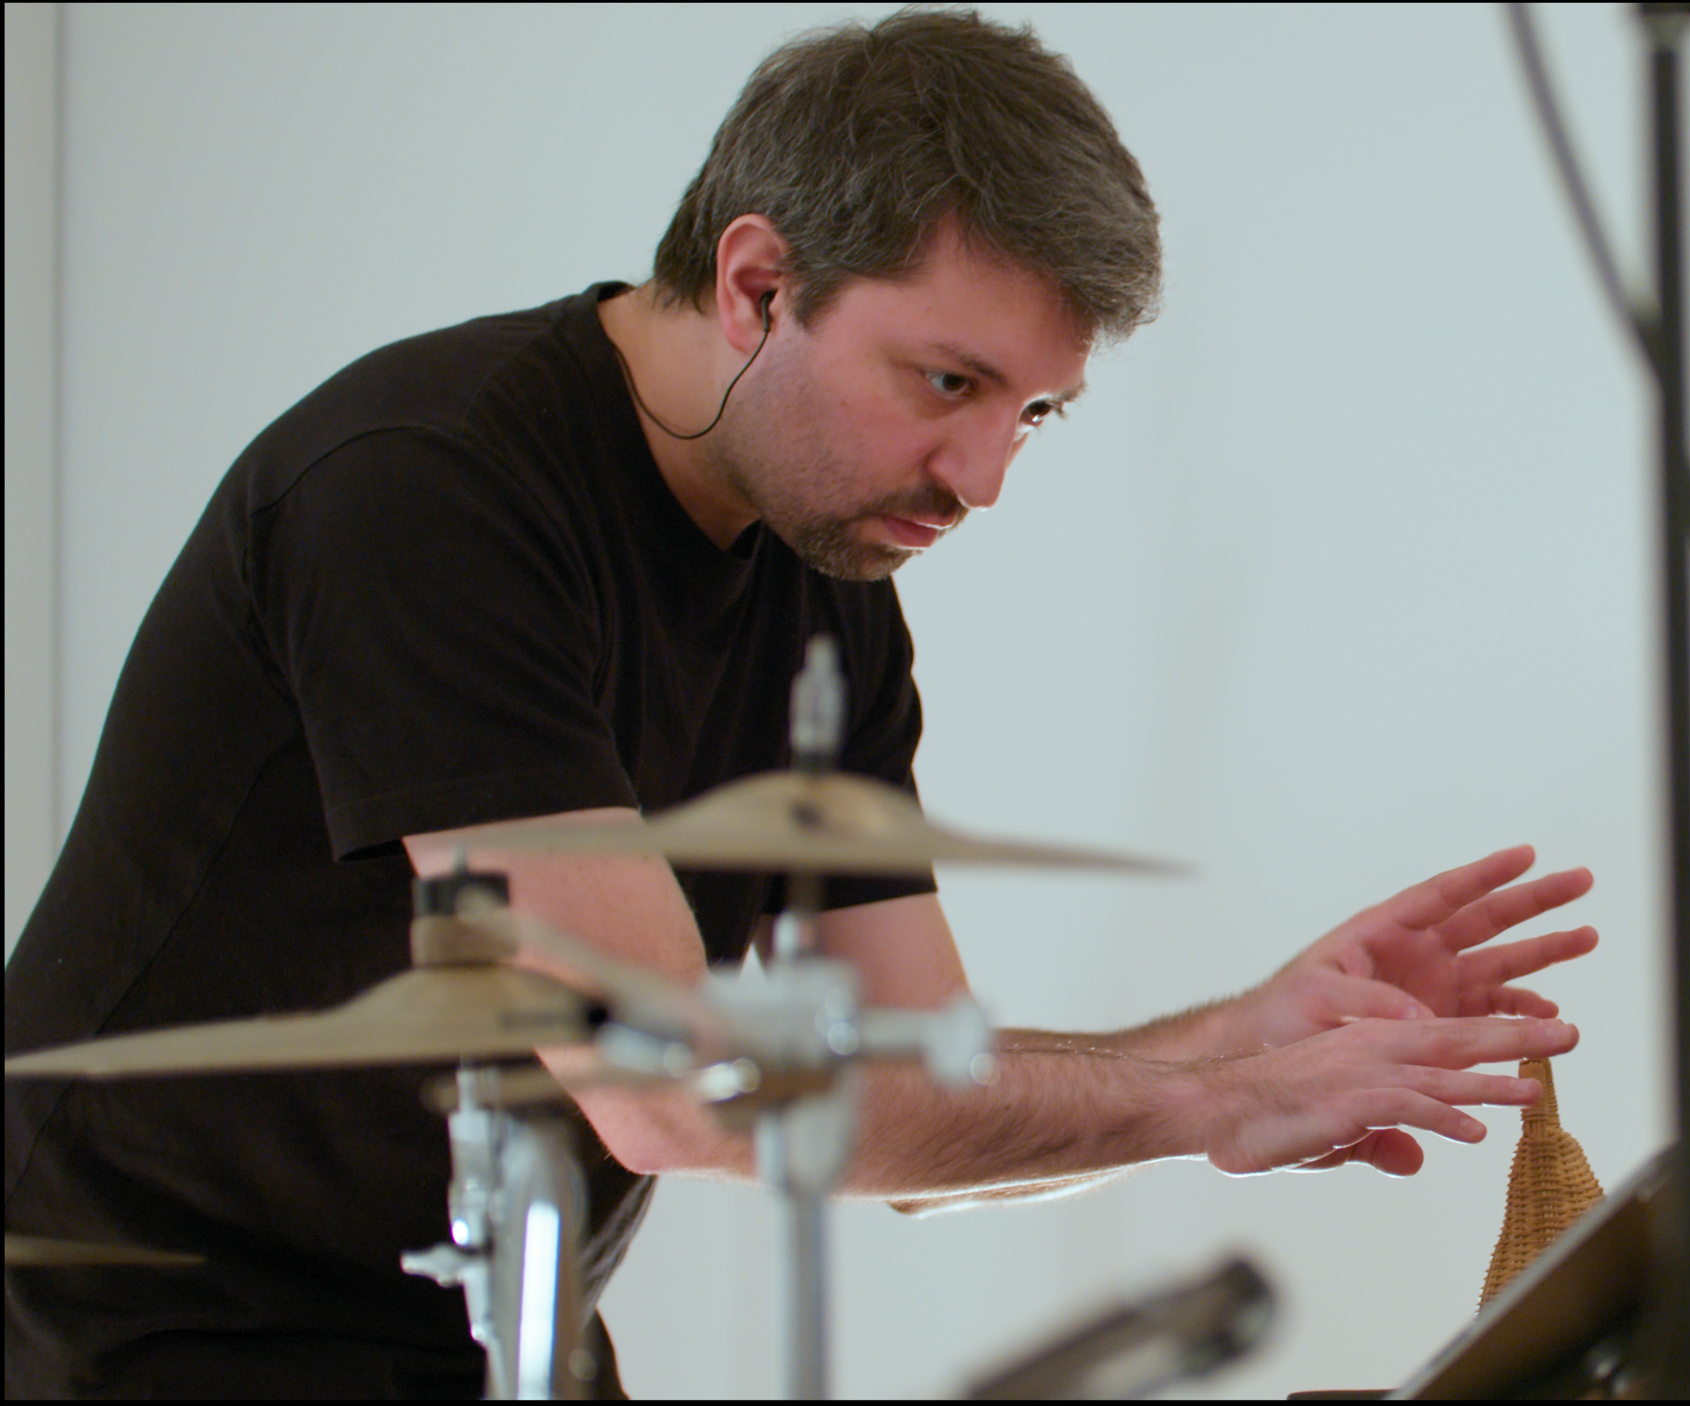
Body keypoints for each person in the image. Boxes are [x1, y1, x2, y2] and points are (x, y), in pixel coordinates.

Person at [4, 10, 1597, 1397]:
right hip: (131, 1325)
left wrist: (1237, 1033)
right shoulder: (431, 494)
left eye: (1036, 411)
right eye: (949, 383)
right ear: (757, 283)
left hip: (478, 1334)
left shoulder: (829, 588)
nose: (984, 478)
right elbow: (669, 1092)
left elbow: (905, 1091)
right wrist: (1206, 1097)